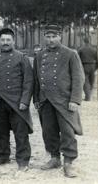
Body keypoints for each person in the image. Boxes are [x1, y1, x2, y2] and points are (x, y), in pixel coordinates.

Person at [34, 25, 85, 178]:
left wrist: (75, 100)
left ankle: (68, 162)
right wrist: (36, 98)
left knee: (68, 132)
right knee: (48, 131)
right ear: (44, 37)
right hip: (45, 100)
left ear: (60, 36)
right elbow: (36, 80)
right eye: (48, 37)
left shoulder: (70, 54)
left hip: (64, 100)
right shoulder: (39, 55)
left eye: (54, 36)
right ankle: (54, 158)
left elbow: (78, 78)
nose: (51, 40)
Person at [0, 27, 33, 171]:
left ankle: (23, 161)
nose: (5, 42)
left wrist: (24, 101)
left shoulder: (21, 58)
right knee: (0, 131)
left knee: (20, 133)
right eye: (2, 40)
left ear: (13, 41)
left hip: (17, 103)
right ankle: (3, 156)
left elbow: (28, 82)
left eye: (8, 40)